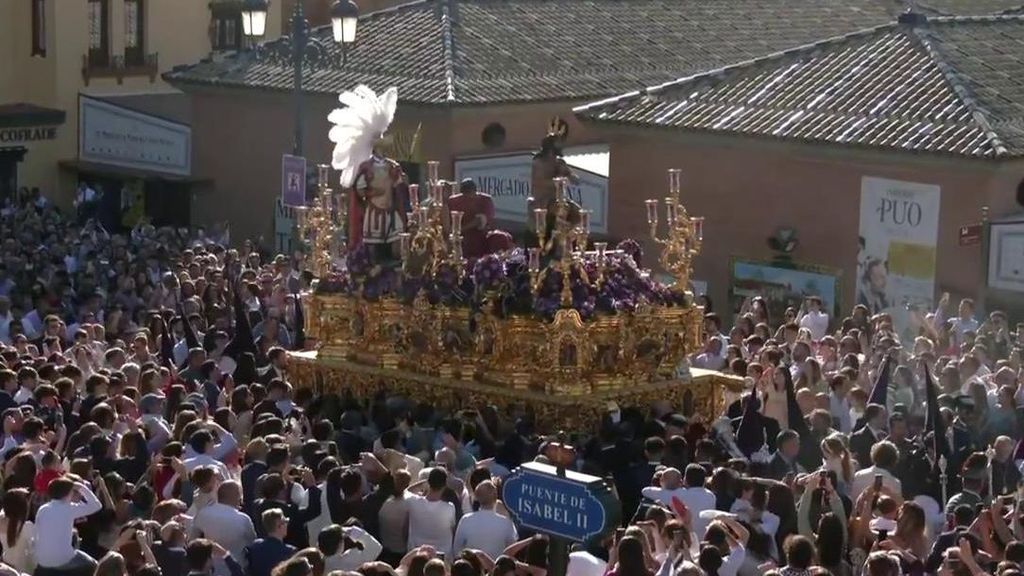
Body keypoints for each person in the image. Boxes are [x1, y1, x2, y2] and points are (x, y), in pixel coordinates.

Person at [35, 476, 103, 571]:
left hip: (42, 560)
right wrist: (81, 487)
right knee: (95, 565)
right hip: (63, 560)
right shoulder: (69, 508)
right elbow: (97, 505)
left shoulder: (42, 509)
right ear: (67, 493)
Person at [190, 480, 257, 563]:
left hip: (210, 566)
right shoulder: (243, 519)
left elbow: (193, 540)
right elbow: (252, 544)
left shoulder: (203, 513)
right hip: (237, 567)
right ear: (238, 497)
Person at [453, 480, 518, 560]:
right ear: (495, 497)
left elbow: (457, 549)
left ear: (476, 497)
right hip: (496, 570)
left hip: (472, 568)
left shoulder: (466, 520)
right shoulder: (506, 523)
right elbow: (512, 550)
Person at [407, 468, 457, 558]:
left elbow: (407, 491)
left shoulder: (413, 502)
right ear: (445, 485)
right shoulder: (449, 508)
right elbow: (452, 529)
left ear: (428, 482)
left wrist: (424, 482)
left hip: (416, 554)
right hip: (442, 557)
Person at [446, 179, 496, 259]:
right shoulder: (453, 201)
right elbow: (447, 220)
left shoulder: (485, 200)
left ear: (475, 191)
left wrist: (460, 230)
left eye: (470, 193)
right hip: (460, 239)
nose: (468, 196)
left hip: (480, 237)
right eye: (465, 194)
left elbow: (481, 220)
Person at [246, 509, 296, 576]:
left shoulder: (255, 546)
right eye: (285, 521)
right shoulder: (289, 551)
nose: (287, 524)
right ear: (279, 525)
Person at [318, 523, 383, 572]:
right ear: (340, 544)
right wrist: (352, 530)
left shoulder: (317, 563)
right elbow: (376, 547)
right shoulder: (352, 558)